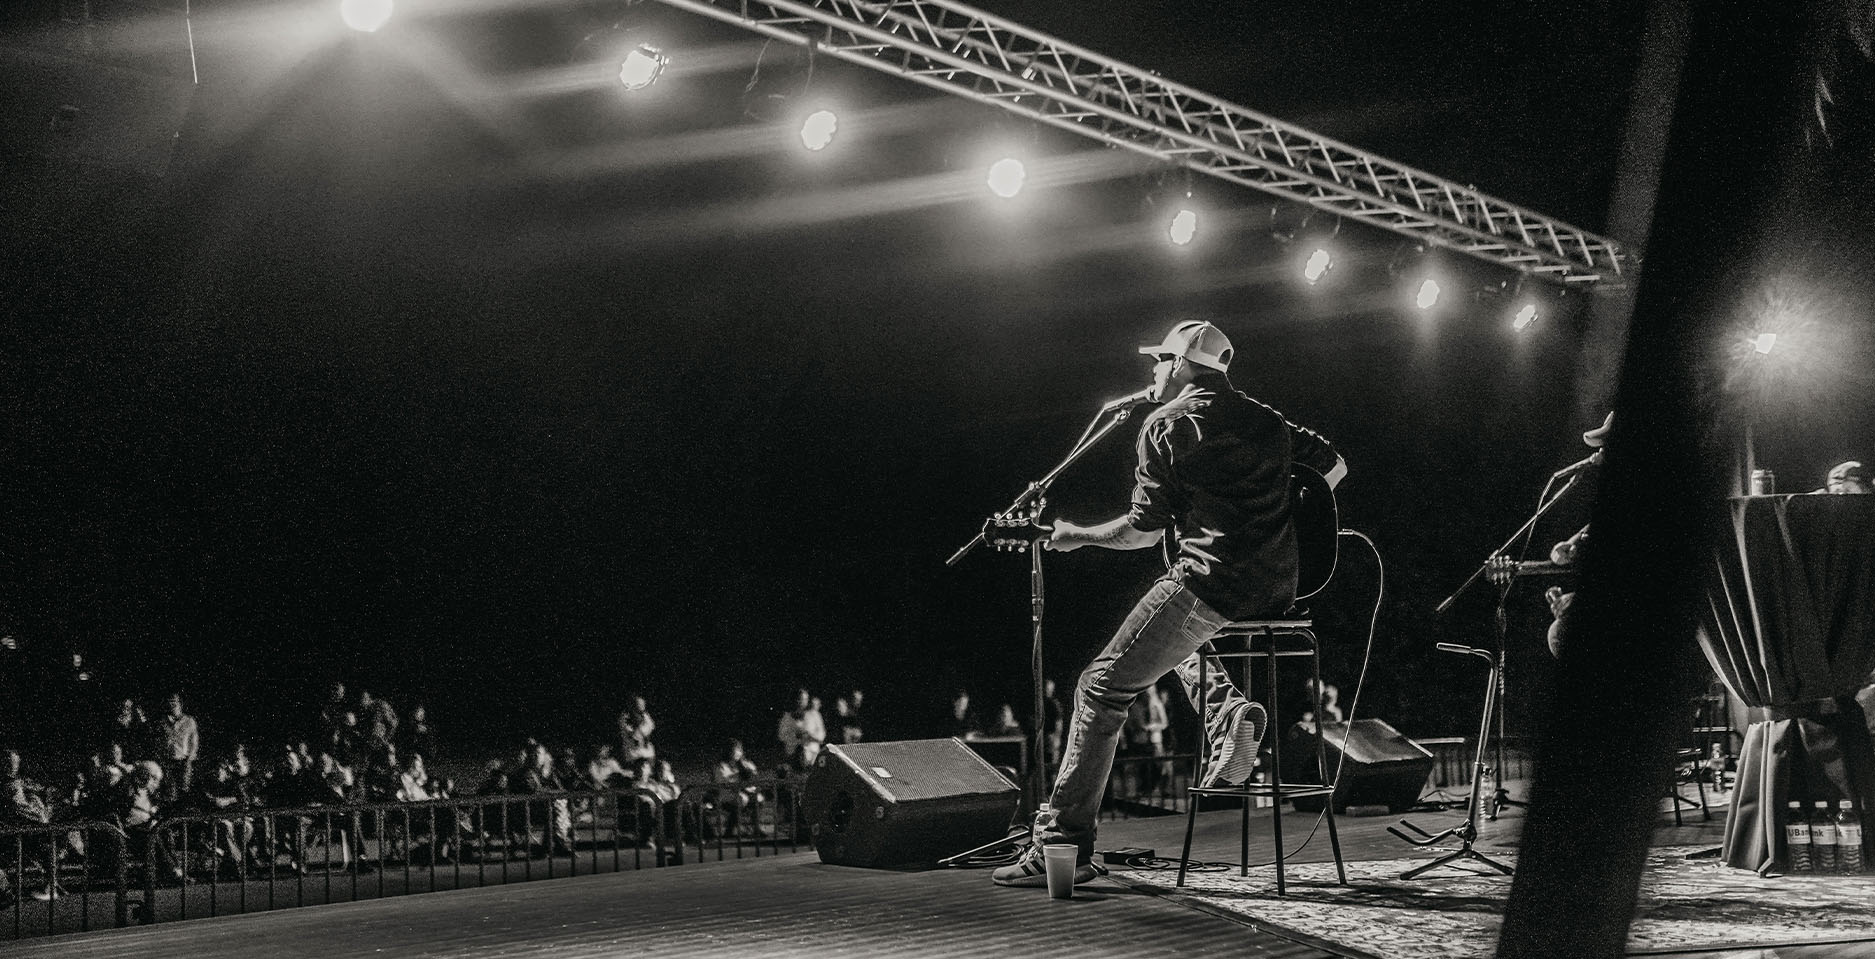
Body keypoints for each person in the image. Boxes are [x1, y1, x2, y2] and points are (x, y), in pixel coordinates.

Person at [991, 319, 1346, 888]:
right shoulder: (1268, 421)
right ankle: (1228, 711)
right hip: (1280, 587)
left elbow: (1139, 532)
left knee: (1100, 687)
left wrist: (1074, 534)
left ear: (1179, 364)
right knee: (1169, 632)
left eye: (1159, 361)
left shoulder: (1166, 423)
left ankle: (1064, 844)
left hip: (1213, 584)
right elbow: (1332, 467)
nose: (1153, 371)